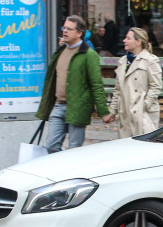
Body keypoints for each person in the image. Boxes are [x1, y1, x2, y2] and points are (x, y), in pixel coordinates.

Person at [35, 15, 112, 152]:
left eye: (69, 29)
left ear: (79, 33)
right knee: (51, 146)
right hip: (58, 106)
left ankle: (70, 171)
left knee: (74, 149)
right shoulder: (60, 51)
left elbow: (96, 84)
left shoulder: (89, 54)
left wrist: (103, 112)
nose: (64, 31)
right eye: (64, 28)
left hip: (78, 108)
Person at [107, 26, 163, 137]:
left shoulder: (150, 60)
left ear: (138, 42)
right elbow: (118, 90)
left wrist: (144, 106)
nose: (124, 41)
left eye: (128, 38)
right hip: (126, 114)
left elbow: (156, 87)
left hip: (143, 115)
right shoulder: (122, 61)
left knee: (144, 149)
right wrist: (112, 111)